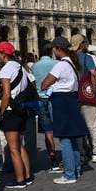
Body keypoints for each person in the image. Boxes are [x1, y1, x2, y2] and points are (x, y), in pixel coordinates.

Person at [38, 37, 88, 184]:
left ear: (58, 49)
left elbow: (44, 84)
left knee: (65, 139)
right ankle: (76, 169)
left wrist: (50, 85)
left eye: (54, 48)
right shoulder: (72, 63)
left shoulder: (60, 66)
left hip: (61, 101)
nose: (52, 50)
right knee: (72, 137)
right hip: (71, 100)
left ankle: (69, 174)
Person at [0, 41, 32, 189]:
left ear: (4, 54)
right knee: (20, 146)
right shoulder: (20, 66)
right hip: (21, 109)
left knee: (13, 148)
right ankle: (27, 175)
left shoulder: (6, 69)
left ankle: (20, 180)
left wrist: (1, 113)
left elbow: (6, 94)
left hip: (10, 111)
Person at [71, 34, 96, 162]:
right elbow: (93, 72)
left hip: (74, 95)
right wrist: (93, 89)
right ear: (82, 44)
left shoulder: (69, 58)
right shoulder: (87, 58)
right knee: (94, 125)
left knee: (79, 125)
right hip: (86, 94)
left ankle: (82, 152)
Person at [31, 43, 60, 171]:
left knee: (48, 132)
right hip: (56, 98)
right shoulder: (56, 64)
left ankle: (53, 159)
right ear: (51, 51)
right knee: (61, 129)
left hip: (41, 100)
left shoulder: (35, 66)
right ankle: (67, 157)